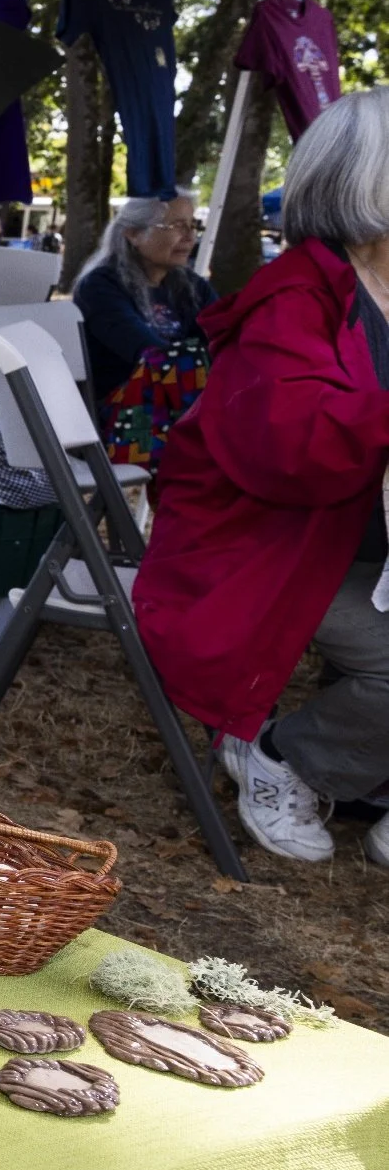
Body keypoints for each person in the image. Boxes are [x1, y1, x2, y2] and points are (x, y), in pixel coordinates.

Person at [134, 90, 389, 863]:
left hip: (355, 542)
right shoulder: (295, 301)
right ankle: (288, 756)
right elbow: (297, 448)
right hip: (269, 552)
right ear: (367, 183)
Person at [72, 194, 220, 464]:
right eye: (176, 225)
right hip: (121, 419)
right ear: (133, 233)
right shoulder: (100, 286)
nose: (189, 236)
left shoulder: (190, 286)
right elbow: (146, 352)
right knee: (185, 363)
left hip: (179, 410)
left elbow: (223, 338)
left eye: (192, 225)